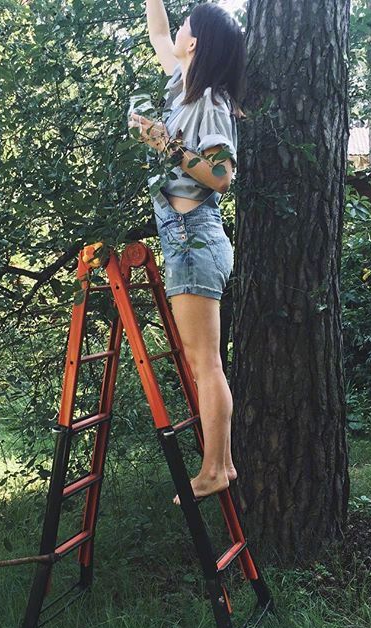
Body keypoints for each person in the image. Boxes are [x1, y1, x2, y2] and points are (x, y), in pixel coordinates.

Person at [130, 2, 247, 505]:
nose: (175, 32)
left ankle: (215, 469)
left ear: (195, 42)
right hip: (186, 234)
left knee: (205, 364)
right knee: (204, 361)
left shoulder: (209, 103)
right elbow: (158, 31)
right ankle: (220, 462)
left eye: (185, 27)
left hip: (193, 233)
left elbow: (222, 176)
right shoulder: (184, 86)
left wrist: (164, 142)